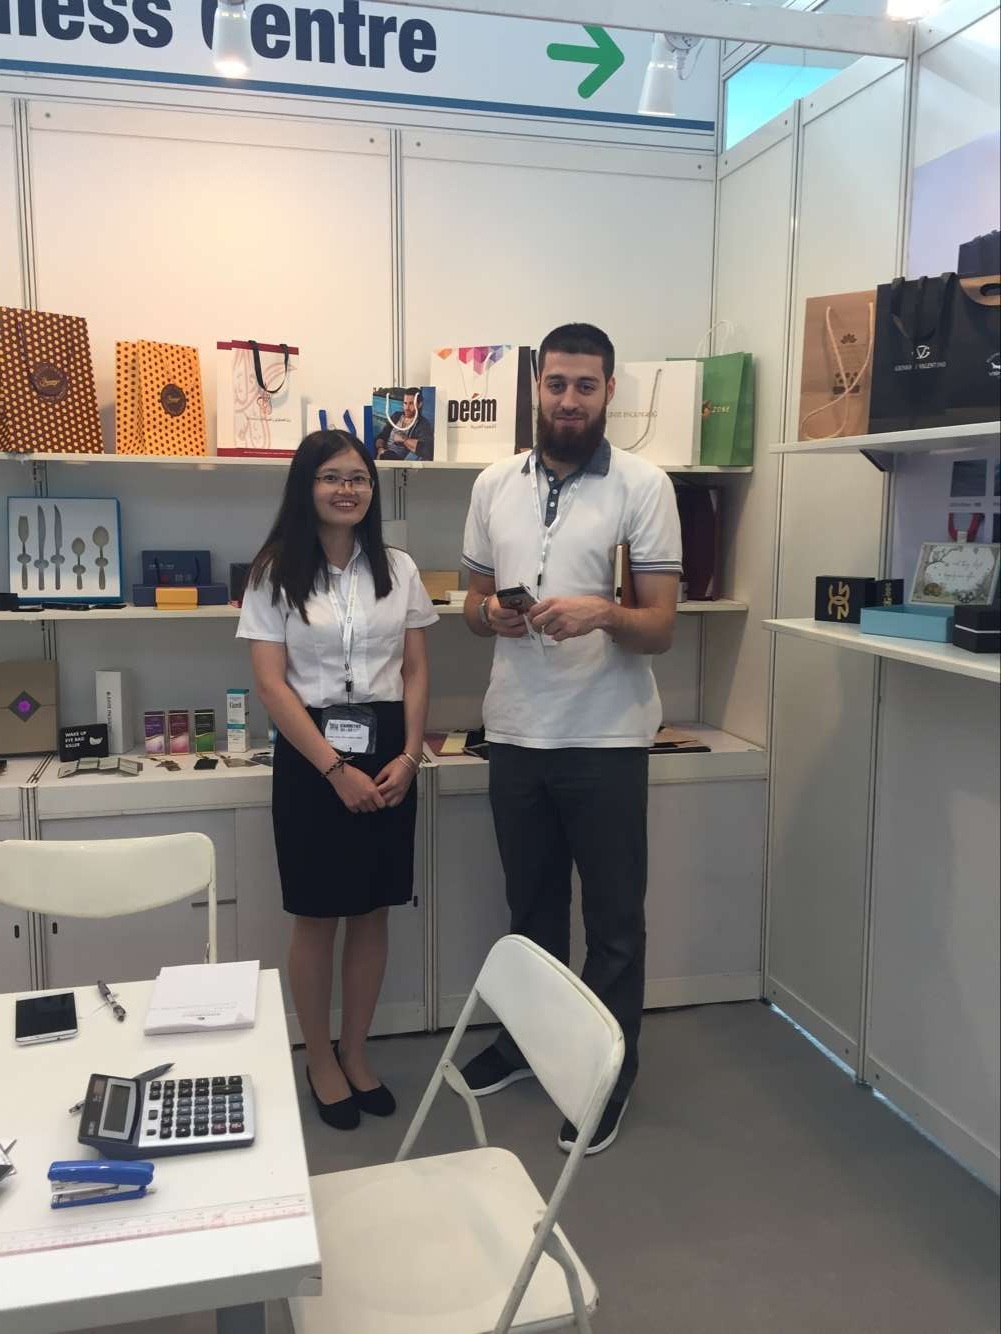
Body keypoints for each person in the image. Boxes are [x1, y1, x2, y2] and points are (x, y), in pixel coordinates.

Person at [460, 323, 682, 1156]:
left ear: (608, 391)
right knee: (530, 912)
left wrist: (603, 613)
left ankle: (604, 1074)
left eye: (585, 386)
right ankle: (527, 1043)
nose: (568, 400)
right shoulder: (492, 484)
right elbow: (470, 606)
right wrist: (492, 613)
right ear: (536, 388)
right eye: (555, 384)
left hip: (606, 737)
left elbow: (660, 628)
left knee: (615, 922)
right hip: (516, 732)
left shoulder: (643, 486)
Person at [237, 429, 438, 1130]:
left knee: (373, 909)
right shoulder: (273, 571)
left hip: (386, 746)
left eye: (357, 477)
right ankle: (319, 1057)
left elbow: (416, 670)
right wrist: (332, 767)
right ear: (306, 486)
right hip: (310, 751)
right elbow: (271, 685)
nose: (346, 489)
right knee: (317, 913)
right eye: (330, 477)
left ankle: (356, 1051)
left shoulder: (399, 568)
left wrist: (409, 757)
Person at [375, 387, 434, 461]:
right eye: (405, 403)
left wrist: (403, 439)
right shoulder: (396, 416)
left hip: (397, 460)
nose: (407, 408)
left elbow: (428, 449)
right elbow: (382, 436)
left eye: (411, 404)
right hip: (383, 453)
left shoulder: (422, 424)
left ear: (419, 404)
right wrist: (380, 449)